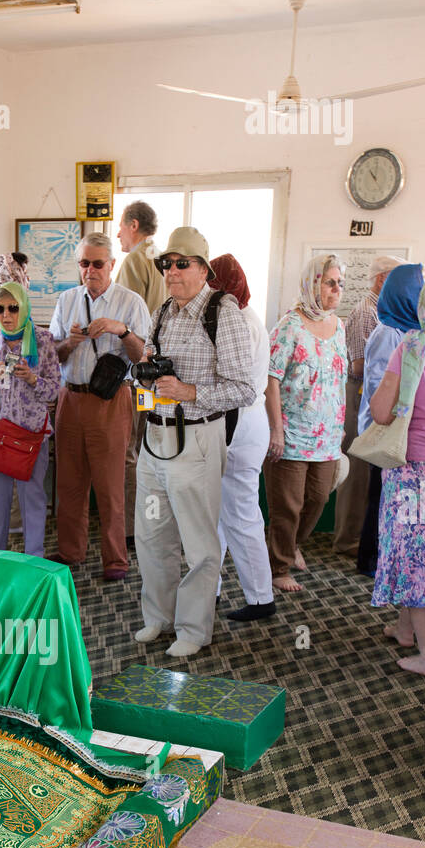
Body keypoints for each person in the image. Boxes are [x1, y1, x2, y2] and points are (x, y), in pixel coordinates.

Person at [134, 228, 255, 657]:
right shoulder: (162, 311)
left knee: (199, 543)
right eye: (166, 264)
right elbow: (147, 358)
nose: (172, 272)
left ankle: (192, 628)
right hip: (154, 439)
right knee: (151, 534)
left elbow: (244, 388)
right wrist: (145, 369)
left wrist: (190, 391)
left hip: (197, 441)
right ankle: (158, 618)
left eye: (182, 263)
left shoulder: (224, 312)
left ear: (204, 269)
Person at [49, 232, 149, 580]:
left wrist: (122, 331)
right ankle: (71, 551)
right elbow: (54, 354)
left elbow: (143, 356)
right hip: (70, 398)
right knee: (70, 483)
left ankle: (115, 560)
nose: (90, 270)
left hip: (111, 401)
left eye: (97, 263)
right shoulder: (66, 300)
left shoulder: (131, 302)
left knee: (110, 486)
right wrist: (69, 343)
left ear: (111, 265)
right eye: (84, 263)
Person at [265, 255, 348, 593]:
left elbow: (338, 380)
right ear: (313, 284)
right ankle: (278, 567)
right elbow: (270, 378)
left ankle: (291, 544)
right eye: (330, 283)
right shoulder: (290, 324)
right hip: (293, 432)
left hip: (327, 434)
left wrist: (340, 425)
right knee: (288, 505)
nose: (336, 290)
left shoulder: (338, 326)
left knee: (318, 498)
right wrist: (276, 429)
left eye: (340, 283)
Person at [369, 270, 425, 676]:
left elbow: (380, 411)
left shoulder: (412, 345)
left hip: (414, 471)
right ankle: (405, 629)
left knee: (417, 560)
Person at [0, 282, 61, 557]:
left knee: (32, 500)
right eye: (0, 308)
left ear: (23, 307)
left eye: (13, 308)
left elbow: (55, 389)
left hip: (31, 435)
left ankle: (34, 560)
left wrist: (33, 379)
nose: (6, 314)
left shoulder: (43, 341)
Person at [207, 255, 275, 622]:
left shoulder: (235, 320)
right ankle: (211, 589)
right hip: (249, 421)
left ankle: (261, 597)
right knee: (220, 514)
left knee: (241, 515)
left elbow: (229, 383)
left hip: (237, 422)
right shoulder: (249, 316)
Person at [357, 264, 425, 599]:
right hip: (389, 436)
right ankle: (367, 557)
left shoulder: (415, 340)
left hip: (408, 447)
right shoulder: (390, 332)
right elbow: (376, 392)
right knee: (376, 503)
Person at [333, 255, 402, 555]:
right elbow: (359, 366)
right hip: (359, 394)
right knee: (358, 471)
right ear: (383, 279)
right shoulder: (367, 312)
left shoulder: (384, 312)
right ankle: (347, 540)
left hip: (372, 395)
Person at [115, 202, 168, 540]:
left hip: (138, 377)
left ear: (134, 225)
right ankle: (153, 519)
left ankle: (131, 527)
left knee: (129, 451)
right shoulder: (163, 257)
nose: (118, 233)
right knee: (151, 447)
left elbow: (125, 318)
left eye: (120, 226)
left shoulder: (136, 261)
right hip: (157, 378)